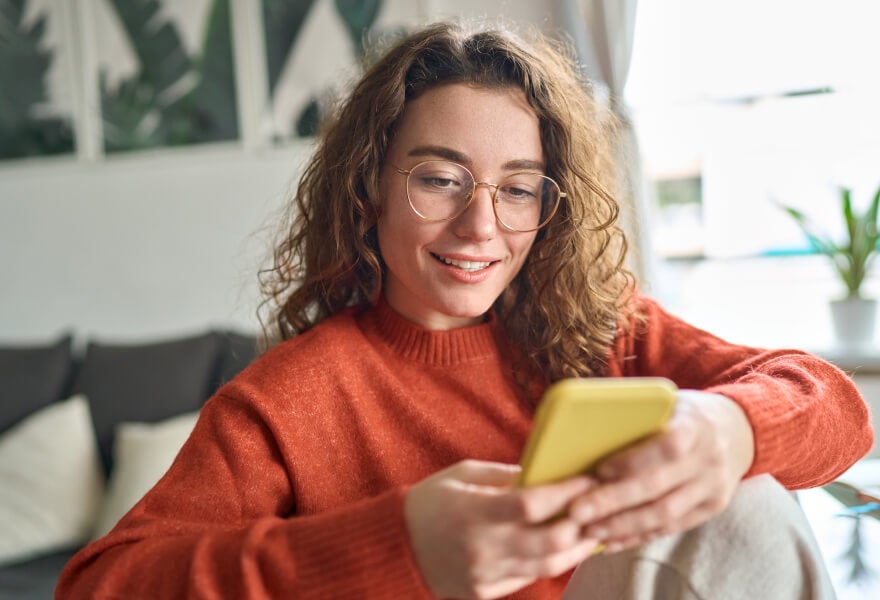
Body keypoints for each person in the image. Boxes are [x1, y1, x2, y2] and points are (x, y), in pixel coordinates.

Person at [57, 20, 872, 599]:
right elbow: (101, 586)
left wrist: (727, 430)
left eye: (518, 189)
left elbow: (837, 409)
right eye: (440, 178)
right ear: (370, 185)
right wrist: (397, 548)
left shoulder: (605, 329)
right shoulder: (284, 404)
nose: (481, 226)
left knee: (749, 497)